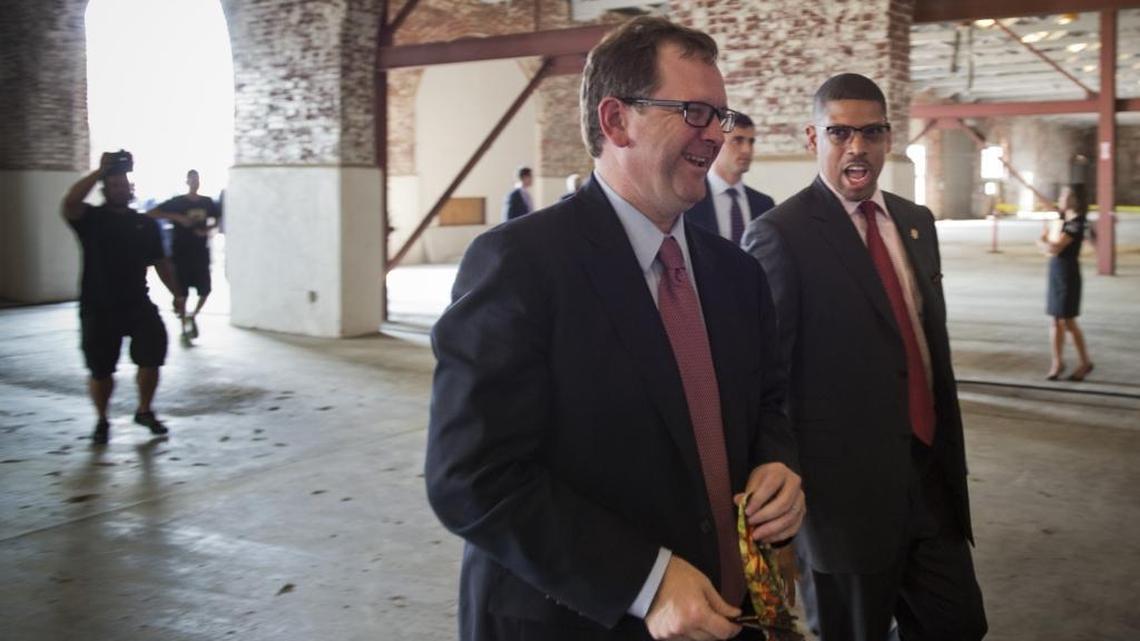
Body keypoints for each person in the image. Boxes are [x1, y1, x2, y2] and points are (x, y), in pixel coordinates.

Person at [426, 16, 803, 641]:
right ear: (615, 121)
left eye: (722, 116)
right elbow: (471, 476)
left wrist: (777, 465)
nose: (715, 136)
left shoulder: (735, 273)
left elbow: (767, 403)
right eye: (693, 112)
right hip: (578, 618)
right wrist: (645, 580)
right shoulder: (522, 265)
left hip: (723, 614)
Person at [742, 73, 987, 641]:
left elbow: (924, 350)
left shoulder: (915, 222)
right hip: (843, 504)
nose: (857, 147)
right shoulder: (781, 235)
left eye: (871, 132)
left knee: (959, 624)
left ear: (888, 138)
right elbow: (766, 379)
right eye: (840, 133)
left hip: (930, 482)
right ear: (813, 138)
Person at [62, 151, 185, 445]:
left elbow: (161, 263)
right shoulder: (91, 219)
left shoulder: (144, 224)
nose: (120, 189)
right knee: (101, 369)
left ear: (131, 189)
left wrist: (177, 294)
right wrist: (99, 171)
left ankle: (144, 410)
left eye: (124, 185)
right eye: (114, 185)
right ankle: (102, 419)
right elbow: (70, 203)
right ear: (106, 189)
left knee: (152, 355)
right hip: (98, 306)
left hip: (137, 303)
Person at [147, 170, 222, 341]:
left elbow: (217, 219)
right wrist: (176, 217)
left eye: (197, 180)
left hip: (200, 253)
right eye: (192, 179)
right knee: (181, 293)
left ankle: (192, 316)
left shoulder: (207, 202)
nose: (195, 183)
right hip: (181, 254)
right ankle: (183, 327)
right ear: (187, 181)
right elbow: (152, 213)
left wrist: (208, 230)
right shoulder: (177, 202)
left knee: (205, 290)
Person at [684, 113, 775, 243]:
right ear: (717, 143)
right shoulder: (689, 201)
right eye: (737, 141)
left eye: (751, 142)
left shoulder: (765, 204)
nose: (747, 150)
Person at [1038, 184, 1094, 381]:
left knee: (1068, 320)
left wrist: (1043, 241)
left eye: (1066, 194)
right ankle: (1057, 362)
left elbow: (1055, 248)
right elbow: (1051, 247)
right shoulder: (1063, 219)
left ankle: (1085, 362)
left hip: (1068, 273)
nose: (1061, 197)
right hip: (1055, 271)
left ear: (1076, 200)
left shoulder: (1076, 223)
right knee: (1055, 319)